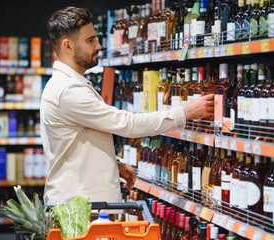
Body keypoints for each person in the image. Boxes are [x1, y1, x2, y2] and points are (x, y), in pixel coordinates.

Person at [42, 6, 215, 205]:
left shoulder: (67, 84)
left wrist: (113, 165)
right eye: (90, 40)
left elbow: (76, 145)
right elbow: (127, 124)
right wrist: (185, 113)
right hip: (81, 209)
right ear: (68, 46)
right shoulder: (68, 91)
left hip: (86, 202)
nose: (98, 46)